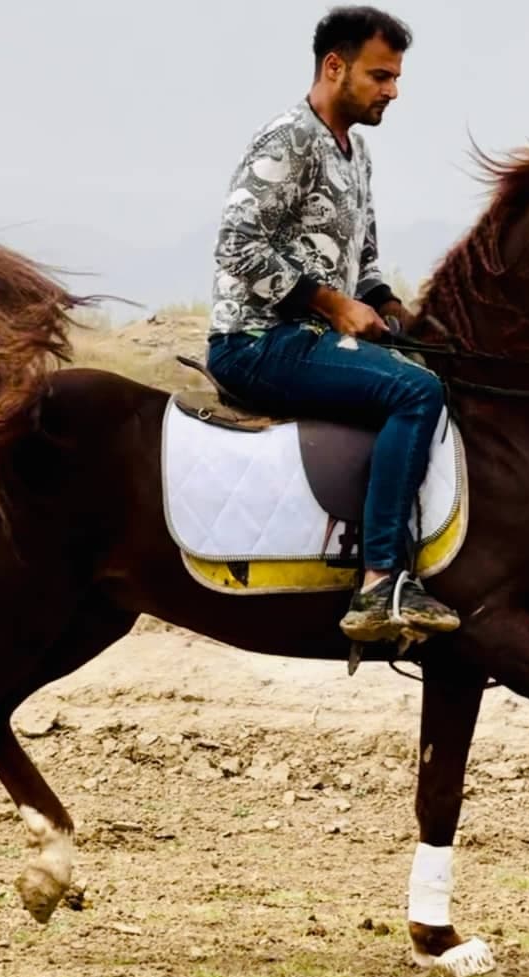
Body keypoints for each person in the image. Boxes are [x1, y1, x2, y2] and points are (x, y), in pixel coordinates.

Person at [207, 5, 460, 644]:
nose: (393, 91)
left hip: (315, 336)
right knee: (415, 392)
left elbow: (362, 264)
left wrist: (393, 309)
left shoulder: (356, 153)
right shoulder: (287, 139)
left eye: (397, 77)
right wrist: (332, 304)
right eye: (381, 76)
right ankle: (380, 584)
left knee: (430, 370)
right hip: (257, 341)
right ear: (333, 66)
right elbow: (236, 245)